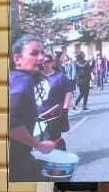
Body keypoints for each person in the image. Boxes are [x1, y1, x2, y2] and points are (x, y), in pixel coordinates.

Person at [8, 36, 70, 182]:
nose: (41, 58)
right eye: (34, 54)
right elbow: (11, 121)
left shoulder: (15, 77)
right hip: (16, 161)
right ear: (17, 59)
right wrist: (38, 145)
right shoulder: (23, 82)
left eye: (42, 53)